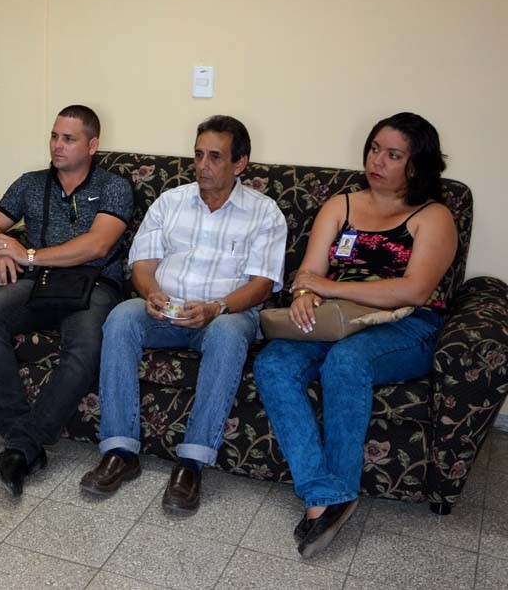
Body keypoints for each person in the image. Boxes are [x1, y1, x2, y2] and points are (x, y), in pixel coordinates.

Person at [253, 112, 456, 558]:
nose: (377, 160)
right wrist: (306, 292)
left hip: (407, 325)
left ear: (416, 165)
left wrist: (324, 287)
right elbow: (308, 272)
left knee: (347, 363)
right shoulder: (340, 205)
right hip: (334, 319)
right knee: (272, 363)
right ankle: (327, 492)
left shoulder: (434, 216)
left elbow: (415, 288)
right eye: (374, 149)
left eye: (393, 154)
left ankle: (333, 496)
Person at [80, 115, 287, 516]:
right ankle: (120, 452)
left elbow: (263, 285)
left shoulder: (264, 213)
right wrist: (151, 293)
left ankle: (191, 463)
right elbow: (141, 263)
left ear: (240, 163)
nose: (203, 165)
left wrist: (218, 307)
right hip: (166, 310)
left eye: (215, 157)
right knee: (122, 318)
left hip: (225, 315)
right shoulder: (170, 201)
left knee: (228, 333)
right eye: (198, 155)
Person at [0, 105, 132, 496]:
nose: (57, 146)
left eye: (69, 139)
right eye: (54, 136)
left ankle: (24, 447)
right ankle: (19, 438)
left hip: (94, 285)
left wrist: (25, 254)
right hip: (41, 283)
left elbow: (97, 244)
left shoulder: (115, 187)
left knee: (87, 345)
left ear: (93, 145)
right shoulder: (30, 183)